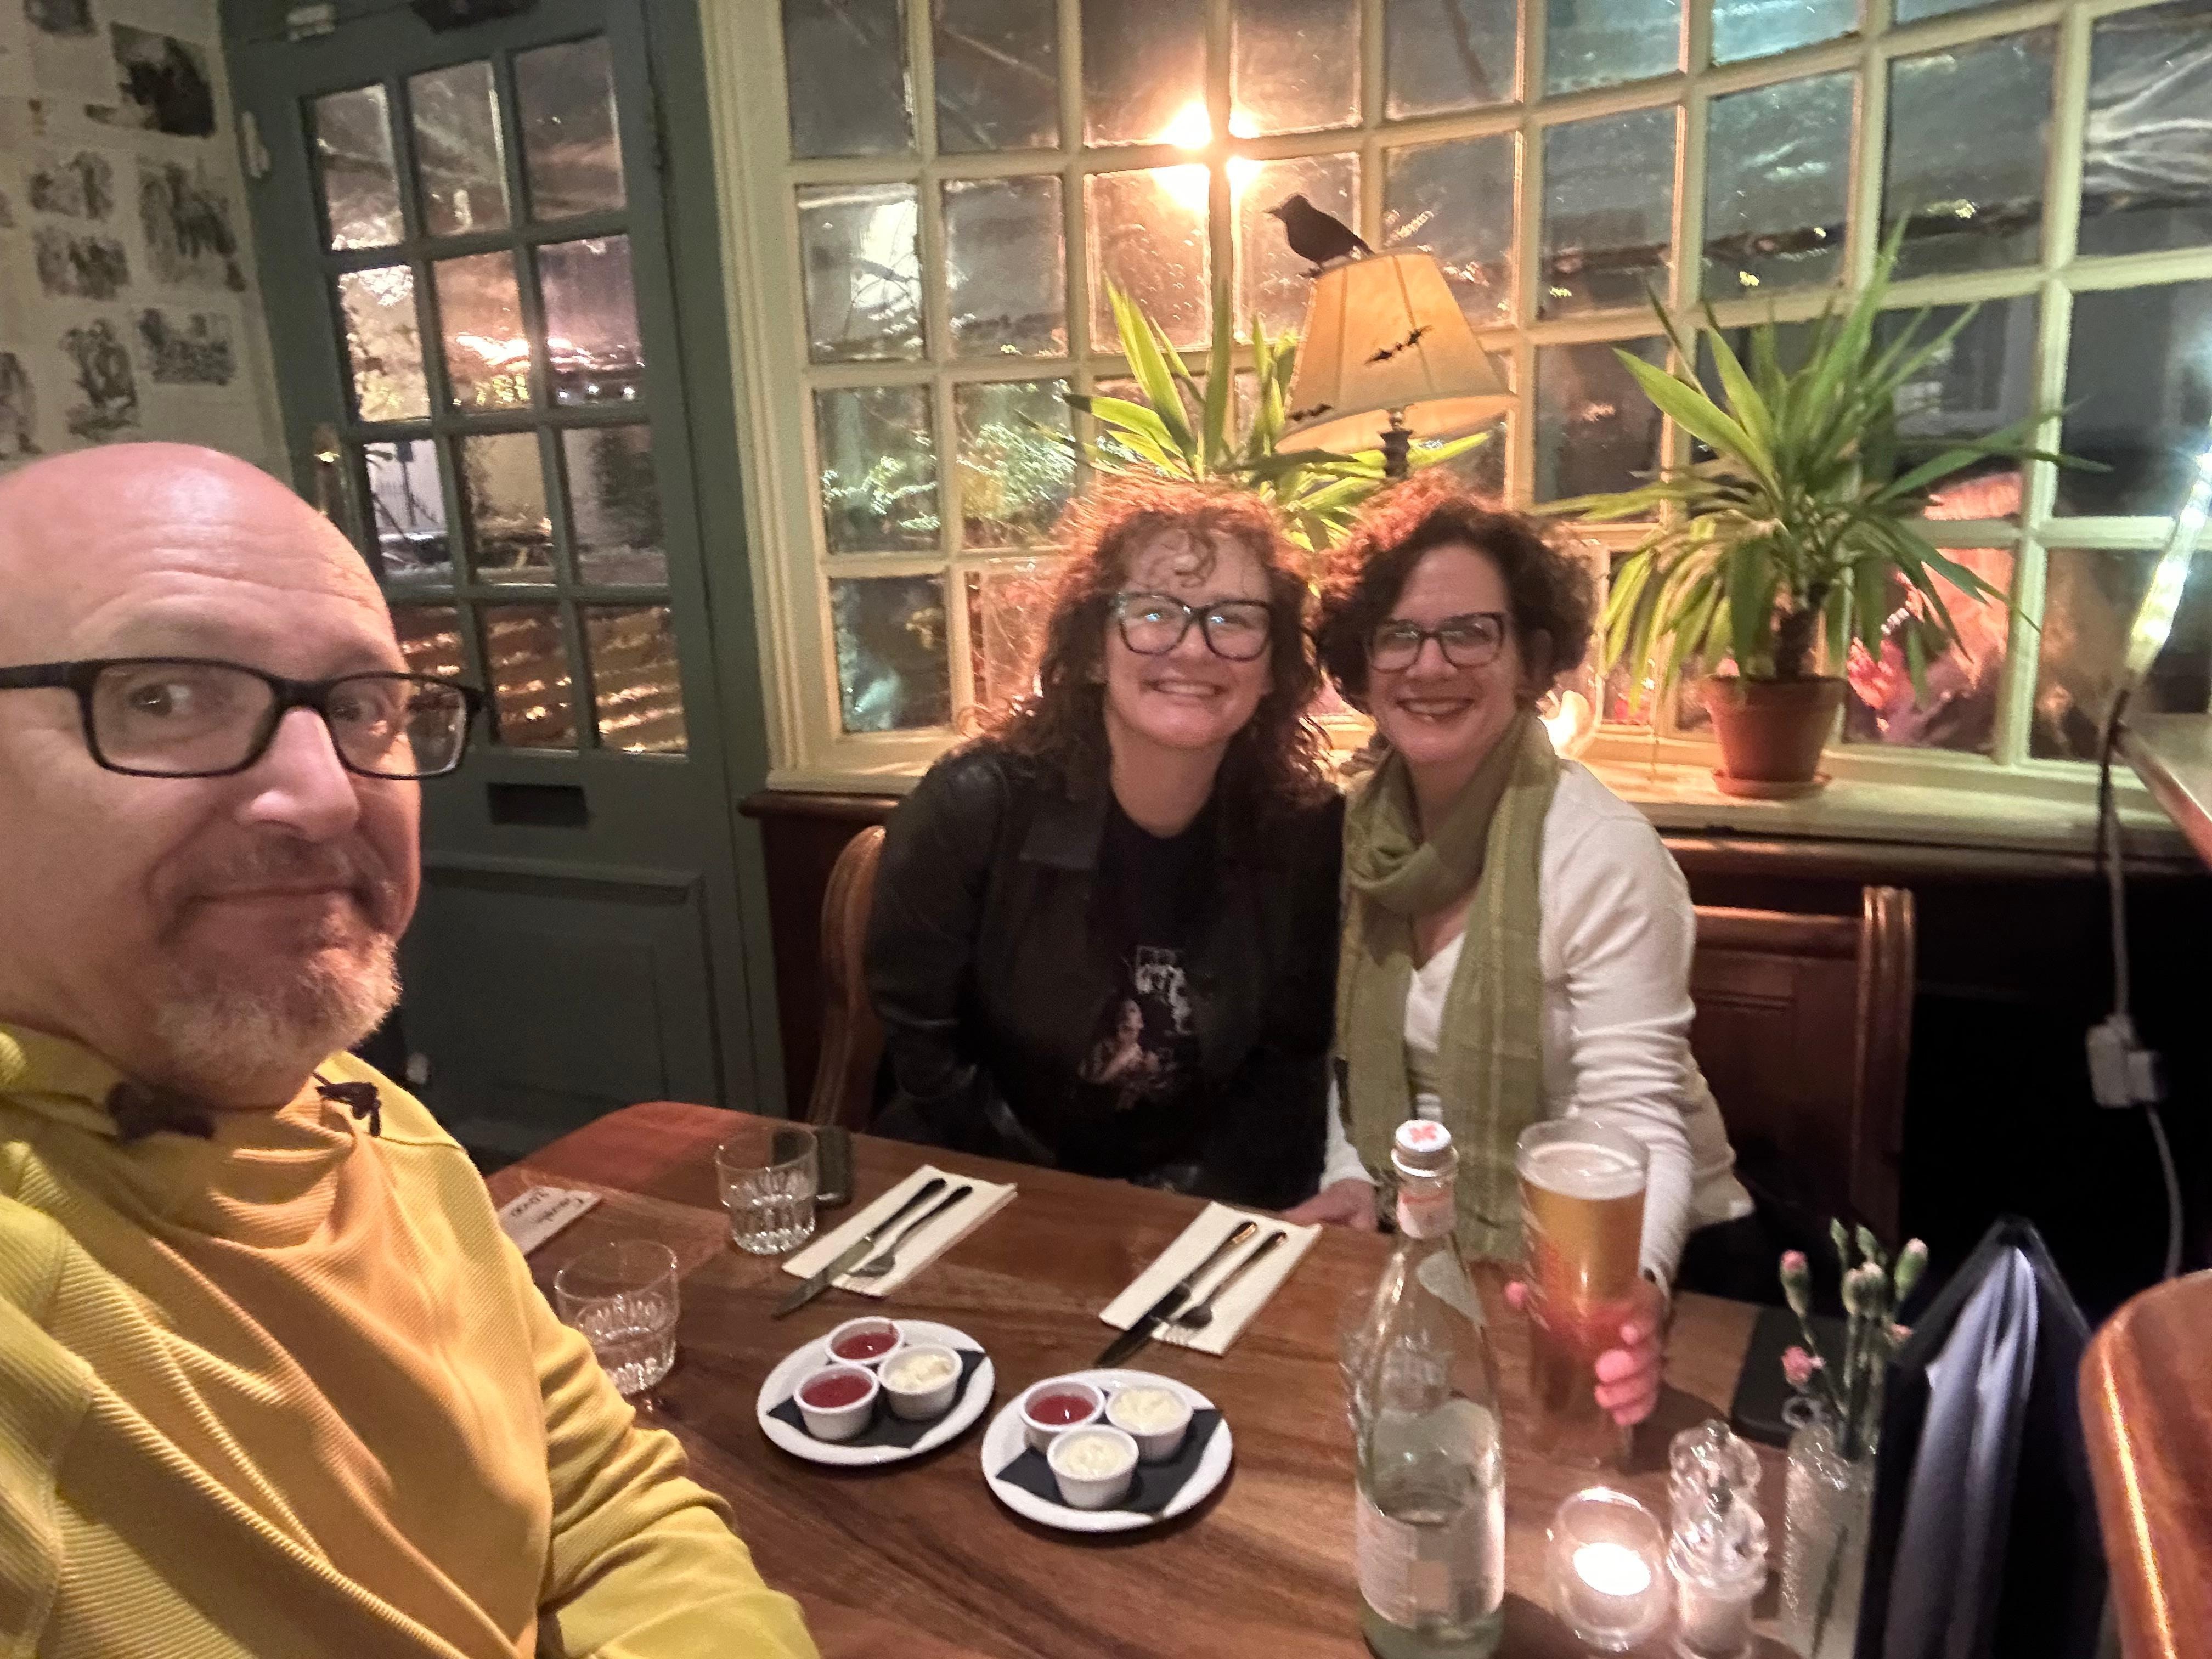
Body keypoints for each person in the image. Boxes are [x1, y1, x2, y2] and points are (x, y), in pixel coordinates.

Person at [0, 445, 816, 1659]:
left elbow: (596, 1499)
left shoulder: (360, 1107)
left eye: (361, 708)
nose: (329, 795)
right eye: (163, 697)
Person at [1286, 478, 1752, 1429]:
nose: (1431, 665)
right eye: (1398, 636)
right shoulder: (1357, 836)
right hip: (1432, 1254)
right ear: (1362, 666)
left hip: (1658, 1267)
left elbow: (1638, 1118)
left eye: (1471, 633)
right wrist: (1348, 1178)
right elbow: (1352, 1064)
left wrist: (1634, 1286)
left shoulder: (1601, 852)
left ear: (1531, 659)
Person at [866, 478, 1341, 1207]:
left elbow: (1287, 1071)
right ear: (1093, 652)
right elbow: (930, 1063)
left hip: (1201, 1213)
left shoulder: (1302, 832)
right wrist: (1079, 1213)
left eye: (1235, 620)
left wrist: (1182, 1210)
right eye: (1153, 613)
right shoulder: (974, 806)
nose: (1194, 648)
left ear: (1273, 669)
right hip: (988, 1193)